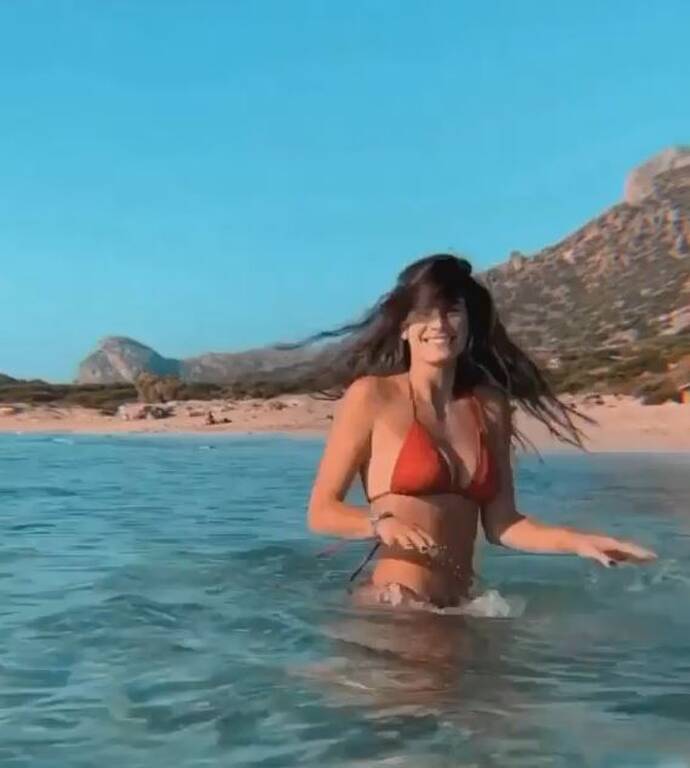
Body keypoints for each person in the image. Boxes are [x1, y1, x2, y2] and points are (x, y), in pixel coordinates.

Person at [306, 254, 656, 609]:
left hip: (465, 609)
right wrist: (380, 523)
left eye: (452, 311)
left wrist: (577, 542)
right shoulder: (372, 396)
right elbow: (321, 512)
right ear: (404, 327)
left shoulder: (489, 406)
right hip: (396, 605)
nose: (439, 324)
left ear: (468, 323)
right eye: (425, 313)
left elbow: (504, 525)